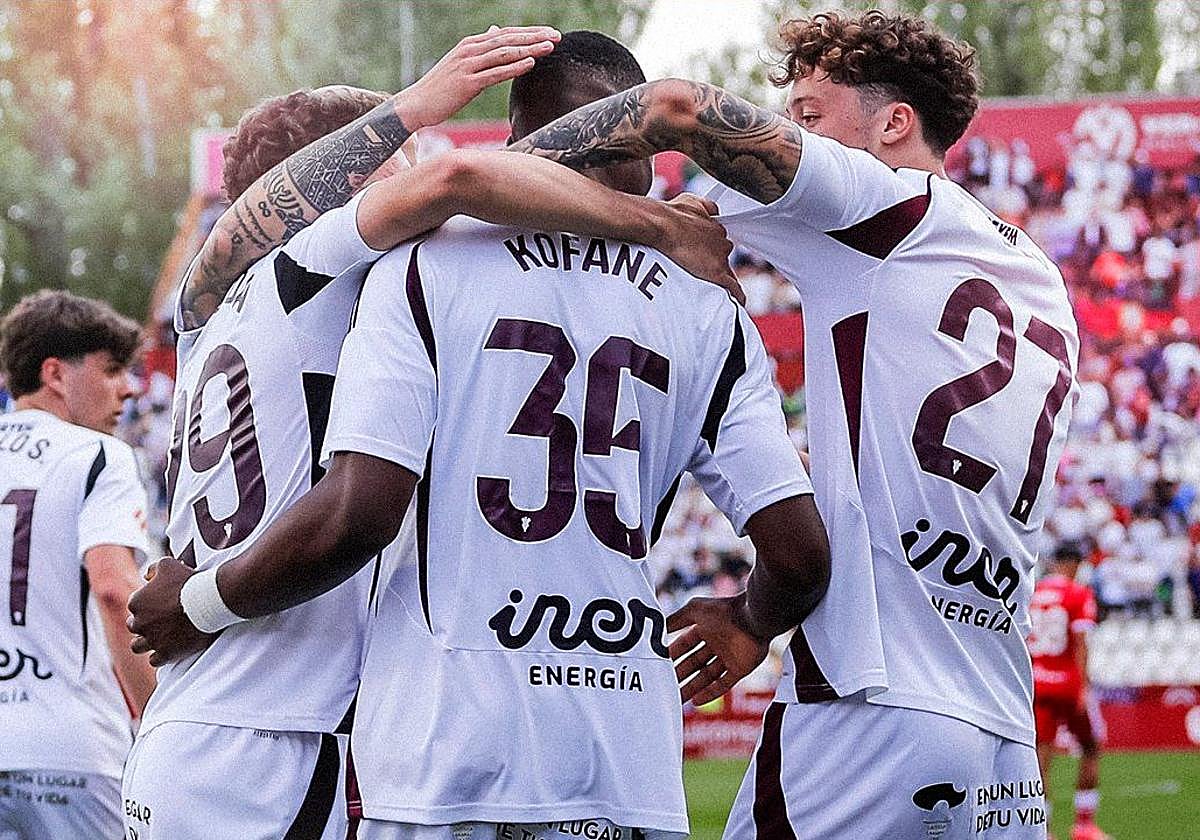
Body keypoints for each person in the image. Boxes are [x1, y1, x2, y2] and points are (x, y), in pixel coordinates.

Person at [128, 30, 831, 840]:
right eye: (397, 163)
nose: (422, 184)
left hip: (224, 728)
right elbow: (459, 181)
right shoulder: (379, 264)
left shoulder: (205, 303)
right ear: (345, 187)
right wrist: (658, 228)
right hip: (302, 734)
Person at [513, 9, 1079, 839]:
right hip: (1002, 732)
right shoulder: (1038, 276)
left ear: (894, 124)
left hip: (871, 707)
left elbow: (671, 107)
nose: (791, 132)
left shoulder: (878, 204)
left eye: (811, 115)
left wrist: (473, 175)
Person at [0, 291, 154, 839]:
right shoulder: (97, 453)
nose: (129, 387)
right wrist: (159, 720)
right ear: (55, 373)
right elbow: (115, 591)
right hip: (69, 751)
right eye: (113, 370)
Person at [1028, 543, 1107, 840]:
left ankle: (1044, 831)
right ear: (1074, 563)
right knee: (1091, 747)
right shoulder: (1078, 593)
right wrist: (1084, 686)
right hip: (1068, 683)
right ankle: (1084, 826)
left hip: (1036, 682)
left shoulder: (1033, 592)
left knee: (1040, 759)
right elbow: (1081, 640)